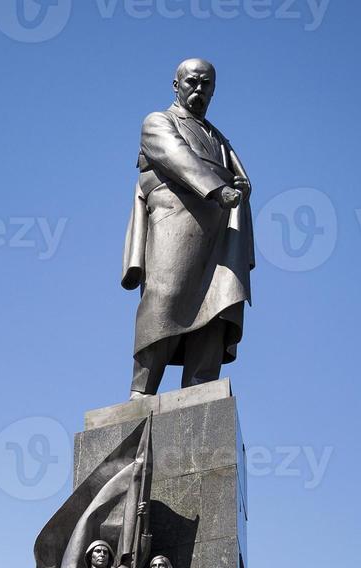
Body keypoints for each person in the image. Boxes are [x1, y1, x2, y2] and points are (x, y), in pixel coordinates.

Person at [121, 58, 254, 398]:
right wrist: (217, 188)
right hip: (175, 223)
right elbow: (178, 156)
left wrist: (241, 187)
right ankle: (142, 392)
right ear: (175, 84)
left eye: (206, 84)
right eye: (192, 82)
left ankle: (199, 392)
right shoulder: (158, 121)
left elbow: (238, 177)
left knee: (217, 309)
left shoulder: (219, 138)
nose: (199, 89)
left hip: (221, 232)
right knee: (165, 298)